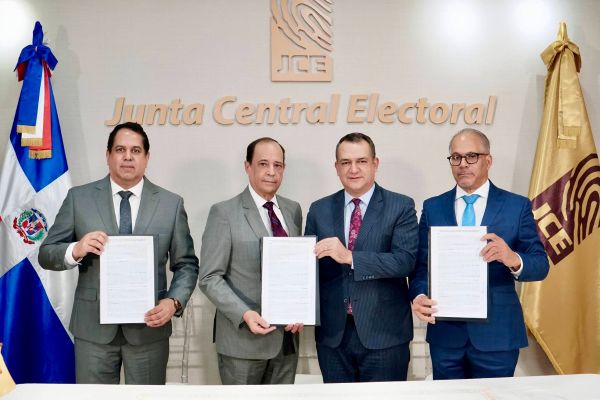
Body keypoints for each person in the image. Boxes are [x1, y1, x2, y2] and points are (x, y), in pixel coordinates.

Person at [38, 122, 199, 384]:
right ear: (108, 155)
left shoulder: (171, 204)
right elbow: (46, 254)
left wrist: (173, 302)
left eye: (136, 150)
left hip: (149, 329)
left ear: (147, 157)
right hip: (93, 330)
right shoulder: (79, 198)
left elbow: (187, 265)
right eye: (120, 149)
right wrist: (76, 249)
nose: (127, 157)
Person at [409, 128, 549, 379]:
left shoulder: (516, 206)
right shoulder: (433, 207)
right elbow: (421, 266)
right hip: (446, 334)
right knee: (448, 397)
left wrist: (512, 258)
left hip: (498, 334)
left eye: (471, 156)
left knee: (494, 396)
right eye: (456, 157)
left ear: (488, 160)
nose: (463, 164)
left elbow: (540, 265)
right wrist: (419, 295)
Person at [304, 132, 418, 383]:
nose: (353, 169)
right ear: (336, 167)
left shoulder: (401, 206)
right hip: (333, 336)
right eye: (345, 162)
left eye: (361, 161)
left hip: (385, 335)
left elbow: (405, 262)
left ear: (375, 163)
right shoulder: (319, 209)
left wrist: (349, 257)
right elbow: (307, 270)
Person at [198, 137, 303, 385]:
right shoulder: (224, 212)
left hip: (286, 343)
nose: (271, 172)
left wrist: (300, 308)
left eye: (278, 165)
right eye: (263, 164)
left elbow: (295, 270)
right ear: (248, 166)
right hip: (242, 344)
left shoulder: (293, 210)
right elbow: (209, 277)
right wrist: (244, 313)